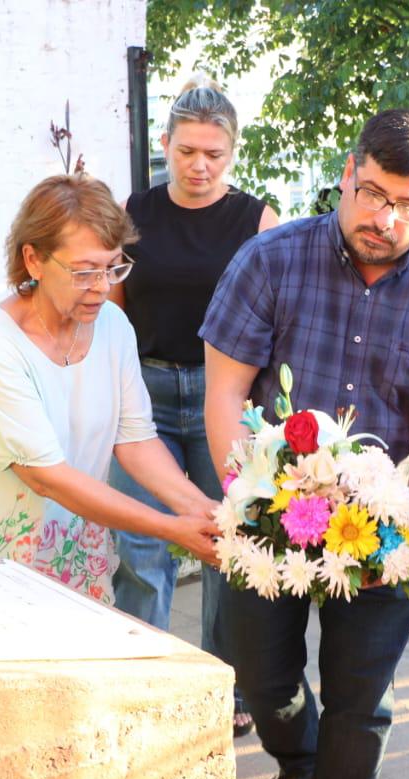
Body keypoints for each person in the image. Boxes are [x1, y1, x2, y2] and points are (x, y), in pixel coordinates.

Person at [201, 108, 409, 779]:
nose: (384, 217)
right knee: (265, 682)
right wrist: (253, 495)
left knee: (362, 705)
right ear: (346, 176)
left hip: (379, 524)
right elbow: (227, 396)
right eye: (371, 193)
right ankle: (300, 761)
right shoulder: (269, 260)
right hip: (269, 516)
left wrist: (400, 529)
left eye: (407, 205)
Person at [0, 174, 220, 600]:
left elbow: (135, 440)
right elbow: (47, 477)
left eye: (113, 266)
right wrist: (171, 528)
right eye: (84, 272)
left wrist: (203, 509)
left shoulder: (113, 325)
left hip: (72, 557)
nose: (103, 287)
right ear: (34, 260)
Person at [108, 74, 278, 738]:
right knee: (142, 547)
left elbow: (274, 315)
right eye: (187, 151)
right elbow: (114, 312)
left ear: (232, 151)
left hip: (223, 398)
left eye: (214, 153)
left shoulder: (256, 219)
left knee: (223, 544)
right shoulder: (137, 211)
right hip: (145, 396)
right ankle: (143, 681)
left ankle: (223, 683)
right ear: (167, 144)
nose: (200, 165)